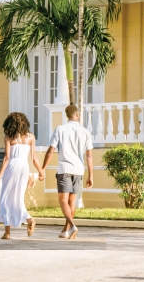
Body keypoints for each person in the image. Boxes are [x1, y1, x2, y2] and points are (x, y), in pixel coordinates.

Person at [41, 103, 93, 240]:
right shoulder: (86, 132)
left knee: (63, 200)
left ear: (67, 116)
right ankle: (66, 231)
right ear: (76, 115)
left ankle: (72, 225)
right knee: (72, 201)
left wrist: (43, 168)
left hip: (64, 169)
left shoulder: (60, 129)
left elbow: (50, 151)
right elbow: (89, 156)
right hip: (78, 170)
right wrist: (91, 176)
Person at [0, 112, 43, 240]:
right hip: (24, 167)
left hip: (12, 167)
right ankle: (28, 220)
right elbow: (34, 158)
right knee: (18, 198)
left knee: (5, 199)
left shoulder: (9, 137)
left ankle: (8, 233)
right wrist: (41, 171)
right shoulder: (30, 137)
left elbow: (7, 158)